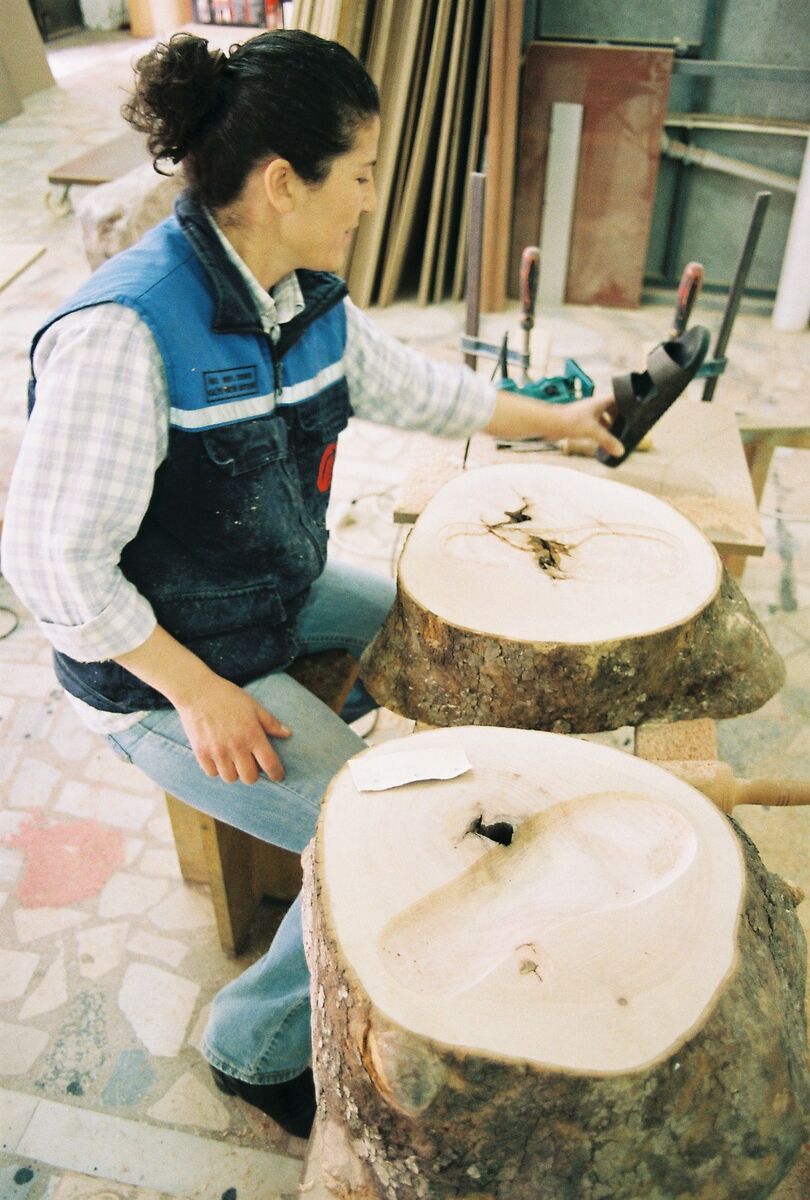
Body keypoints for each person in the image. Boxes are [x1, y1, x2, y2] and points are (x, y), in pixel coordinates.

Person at [1, 29, 622, 1139]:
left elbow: (423, 390)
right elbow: (49, 564)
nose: (373, 201)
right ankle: (253, 1046)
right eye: (363, 175)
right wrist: (199, 693)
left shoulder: (298, 298)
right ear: (284, 182)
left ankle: (423, 785)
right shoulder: (126, 333)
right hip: (156, 669)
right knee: (378, 838)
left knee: (455, 629)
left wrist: (567, 422)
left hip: (265, 596)